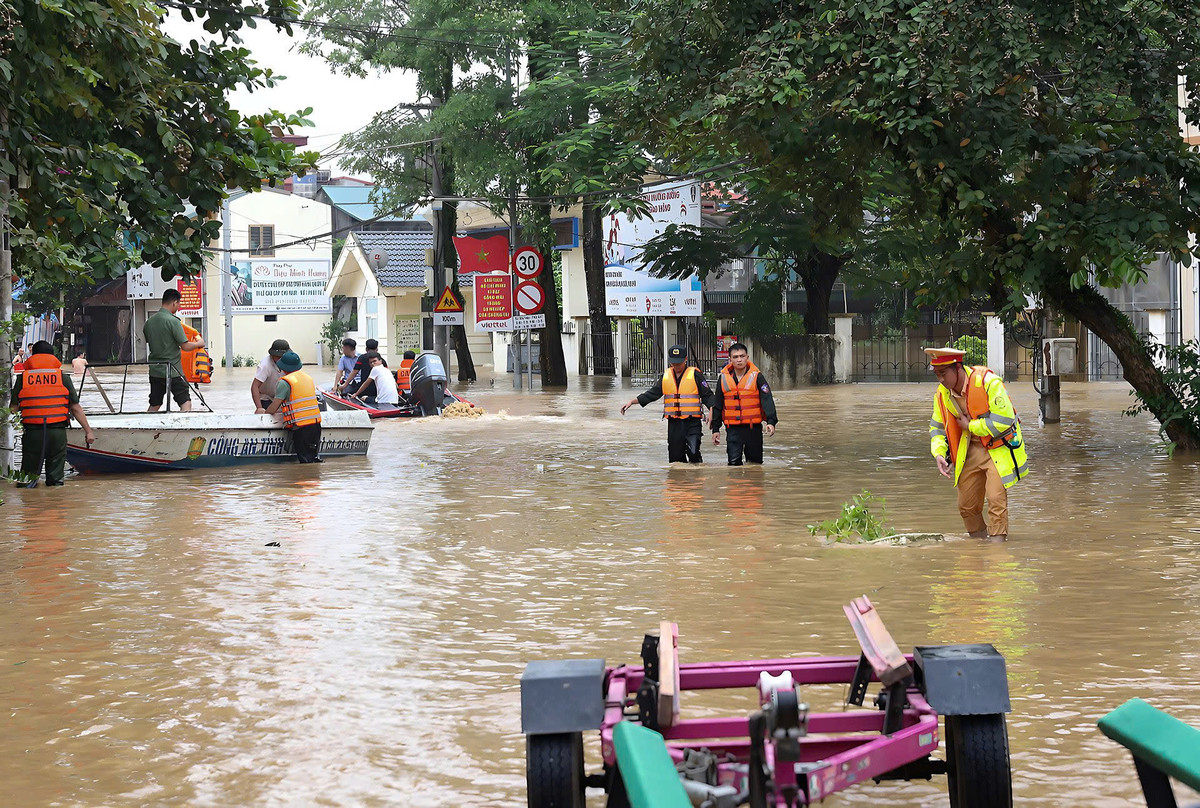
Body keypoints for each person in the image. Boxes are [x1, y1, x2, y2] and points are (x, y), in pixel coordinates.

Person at [926, 346, 1030, 541]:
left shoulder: (988, 382)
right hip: (969, 450)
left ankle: (998, 552)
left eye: (943, 374)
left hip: (998, 448)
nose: (940, 379)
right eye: (936, 374)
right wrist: (939, 453)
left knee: (995, 500)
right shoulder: (942, 395)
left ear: (958, 369)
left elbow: (1004, 420)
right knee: (967, 506)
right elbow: (937, 428)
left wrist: (971, 426)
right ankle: (979, 547)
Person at [10, 341, 95, 485]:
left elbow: (13, 408)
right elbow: (75, 408)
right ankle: (55, 502)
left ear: (33, 355)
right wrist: (88, 431)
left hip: (32, 433)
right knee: (55, 480)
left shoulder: (22, 379)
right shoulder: (63, 378)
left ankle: (28, 502)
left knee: (27, 480)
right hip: (57, 432)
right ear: (52, 356)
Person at [620, 344, 716, 463]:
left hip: (692, 422)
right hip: (674, 423)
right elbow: (653, 393)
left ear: (686, 359)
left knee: (693, 452)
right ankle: (678, 480)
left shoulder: (695, 374)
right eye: (673, 363)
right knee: (675, 459)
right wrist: (633, 401)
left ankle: (695, 478)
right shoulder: (666, 376)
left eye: (679, 363)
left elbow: (708, 395)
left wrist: (712, 410)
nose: (676, 366)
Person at [711, 342, 778, 465]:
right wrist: (715, 429)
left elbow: (767, 399)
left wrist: (771, 421)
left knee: (755, 465)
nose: (739, 360)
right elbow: (718, 404)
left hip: (753, 428)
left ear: (747, 357)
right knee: (733, 464)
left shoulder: (757, 377)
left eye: (742, 356)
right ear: (730, 359)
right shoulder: (723, 378)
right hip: (732, 429)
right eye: (735, 357)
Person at [143, 288, 204, 412]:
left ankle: (145, 427)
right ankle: (182, 429)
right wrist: (199, 343)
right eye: (179, 304)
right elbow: (185, 346)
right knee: (185, 403)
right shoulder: (173, 321)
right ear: (175, 302)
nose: (178, 307)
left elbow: (152, 342)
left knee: (155, 404)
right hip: (173, 371)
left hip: (155, 371)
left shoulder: (149, 323)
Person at [265, 351, 322, 463]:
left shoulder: (285, 383)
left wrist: (263, 412)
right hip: (316, 426)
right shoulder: (308, 378)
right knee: (313, 460)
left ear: (283, 367)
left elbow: (274, 407)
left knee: (305, 463)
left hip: (302, 429)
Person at [251, 339, 290, 413]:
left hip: (281, 396)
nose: (281, 359)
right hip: (266, 397)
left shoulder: (288, 362)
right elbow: (255, 386)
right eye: (278, 357)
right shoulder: (265, 365)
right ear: (272, 355)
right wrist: (259, 408)